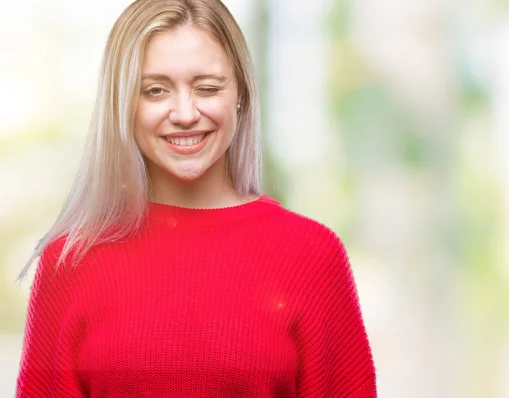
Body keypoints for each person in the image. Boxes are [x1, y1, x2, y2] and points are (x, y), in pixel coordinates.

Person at [16, 0, 377, 396]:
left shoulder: (311, 256)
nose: (185, 113)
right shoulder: (70, 262)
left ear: (240, 92)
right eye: (155, 90)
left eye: (207, 87)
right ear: (124, 105)